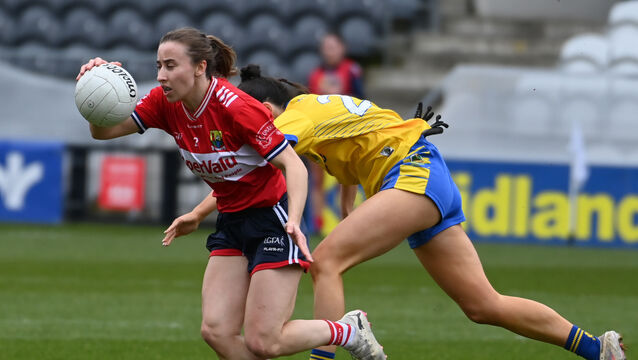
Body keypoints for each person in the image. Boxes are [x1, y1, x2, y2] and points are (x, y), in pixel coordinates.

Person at [235, 64, 627, 360]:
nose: (244, 126)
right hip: (424, 175)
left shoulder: (292, 117)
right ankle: (598, 349)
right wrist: (347, 203)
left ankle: (331, 350)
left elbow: (256, 162)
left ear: (266, 108)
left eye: (247, 116)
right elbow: (356, 137)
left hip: (412, 175)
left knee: (326, 262)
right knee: (482, 305)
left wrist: (207, 203)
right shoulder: (316, 108)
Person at [75, 27, 385, 360]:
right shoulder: (164, 104)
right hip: (232, 222)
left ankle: (350, 330)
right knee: (216, 332)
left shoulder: (237, 108)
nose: (161, 76)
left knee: (263, 341)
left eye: (170, 65)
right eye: (158, 66)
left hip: (272, 221)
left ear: (200, 67)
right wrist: (95, 89)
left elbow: (294, 166)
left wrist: (294, 221)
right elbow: (102, 132)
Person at [306, 32, 366, 236]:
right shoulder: (315, 74)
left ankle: (348, 220)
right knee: (317, 180)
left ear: (342, 48)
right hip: (319, 134)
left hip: (344, 133)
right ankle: (317, 224)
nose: (329, 51)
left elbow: (361, 100)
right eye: (325, 47)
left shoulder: (352, 70)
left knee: (347, 178)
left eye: (333, 46)